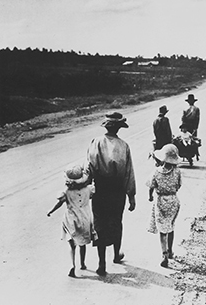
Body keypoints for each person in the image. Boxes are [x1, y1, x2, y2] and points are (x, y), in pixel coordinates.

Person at [86, 111, 136, 276]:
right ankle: (116, 254)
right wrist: (131, 196)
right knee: (116, 221)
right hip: (117, 190)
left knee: (100, 224)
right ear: (119, 128)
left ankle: (102, 263)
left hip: (100, 189)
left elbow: (89, 168)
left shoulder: (96, 142)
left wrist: (84, 187)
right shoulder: (124, 146)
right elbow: (129, 173)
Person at [47, 164, 97, 278]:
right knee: (82, 244)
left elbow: (59, 203)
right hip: (84, 219)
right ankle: (83, 263)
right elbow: (93, 195)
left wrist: (51, 210)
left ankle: (72, 264)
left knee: (72, 244)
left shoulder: (66, 192)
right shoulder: (88, 189)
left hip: (71, 220)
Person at [147, 144, 182, 268]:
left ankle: (164, 254)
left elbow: (151, 185)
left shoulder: (156, 172)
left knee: (162, 229)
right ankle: (171, 250)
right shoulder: (177, 171)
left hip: (161, 201)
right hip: (173, 200)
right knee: (171, 225)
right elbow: (179, 185)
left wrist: (151, 196)